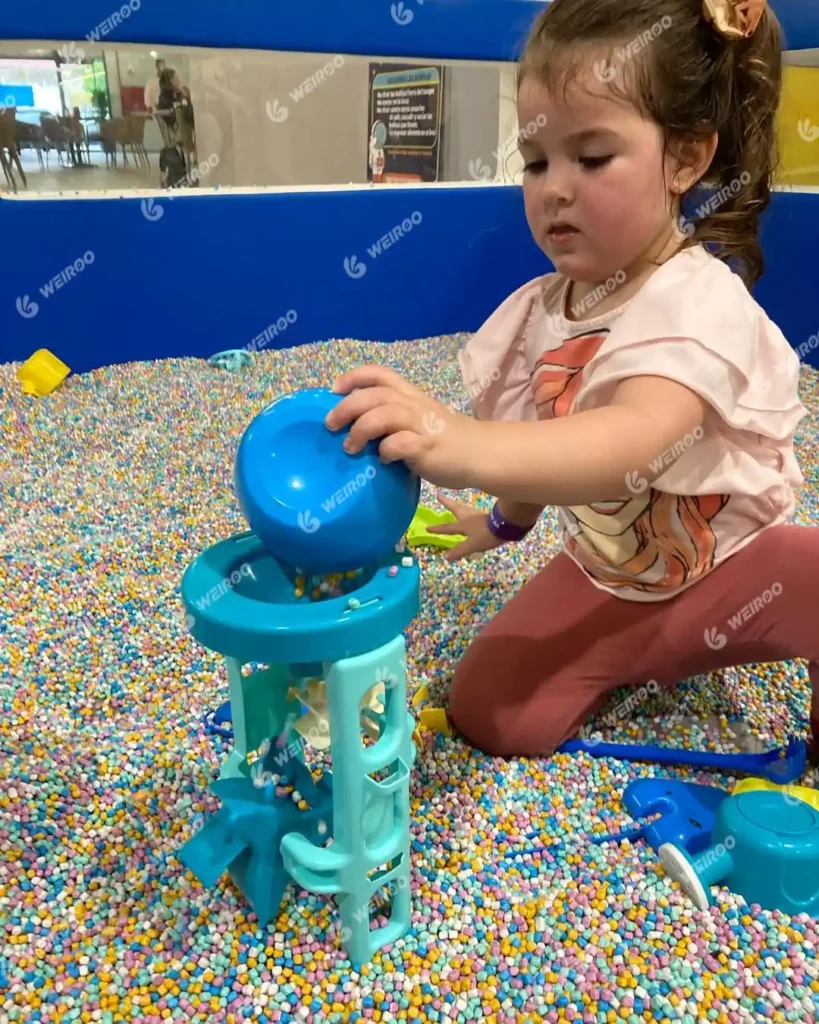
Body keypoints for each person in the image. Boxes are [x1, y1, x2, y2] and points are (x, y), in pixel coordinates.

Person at [323, 0, 819, 761]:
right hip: (615, 571)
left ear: (685, 160)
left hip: (730, 565)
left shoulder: (694, 301)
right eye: (535, 161)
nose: (554, 188)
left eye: (591, 158)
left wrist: (454, 439)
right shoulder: (541, 309)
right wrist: (502, 523)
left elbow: (628, 444)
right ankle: (652, 647)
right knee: (492, 715)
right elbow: (543, 440)